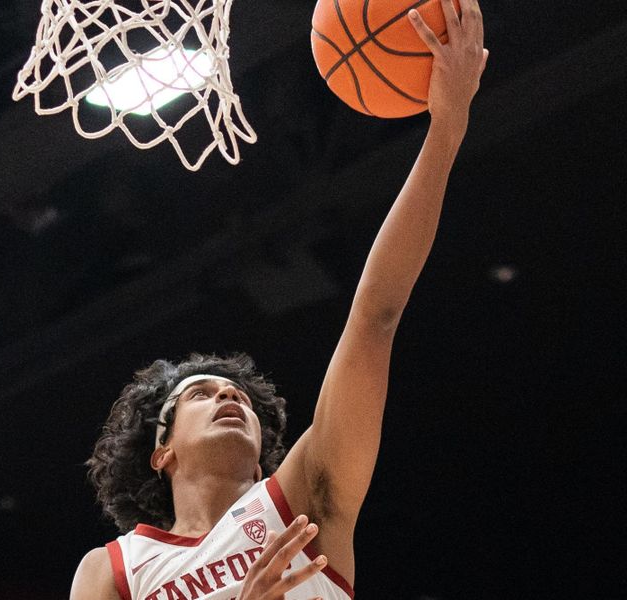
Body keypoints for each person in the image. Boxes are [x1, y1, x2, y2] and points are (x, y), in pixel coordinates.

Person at [71, 1, 488, 598]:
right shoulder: (115, 568)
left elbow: (375, 317)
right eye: (201, 393)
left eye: (236, 393)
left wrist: (447, 130)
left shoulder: (306, 499)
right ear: (161, 450)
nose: (227, 396)